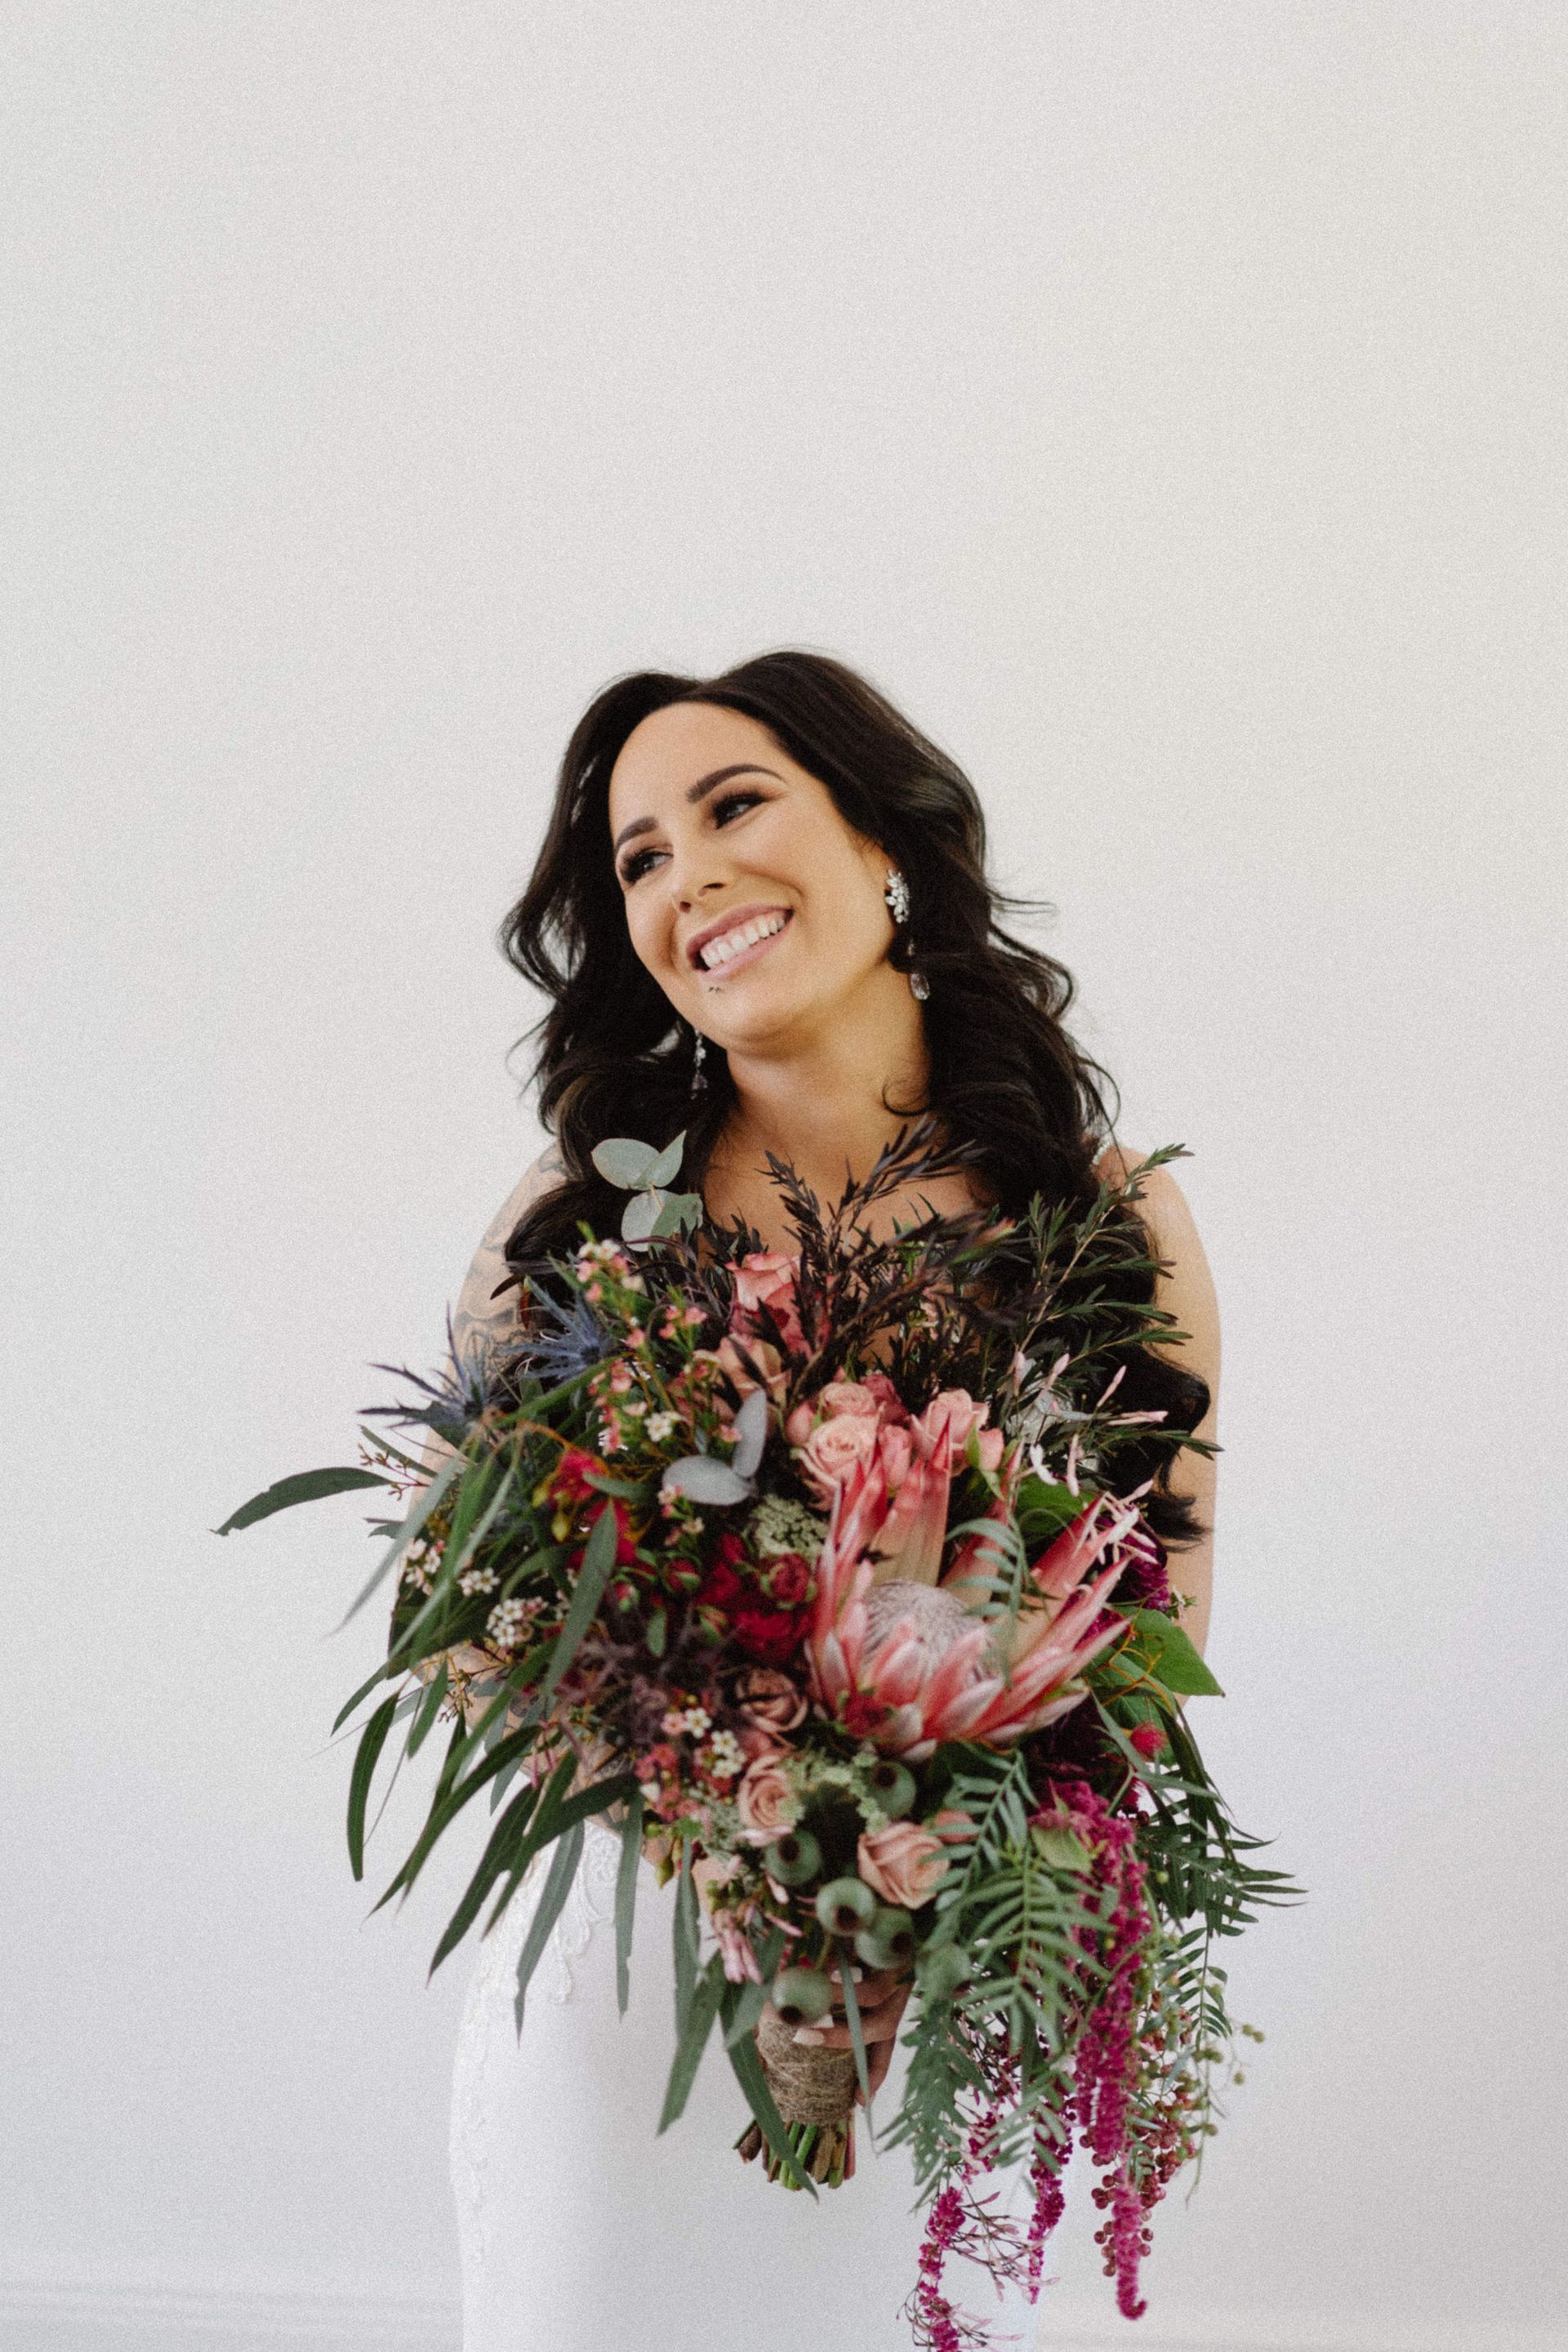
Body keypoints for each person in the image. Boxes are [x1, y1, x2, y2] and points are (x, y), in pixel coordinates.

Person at [443, 653, 1219, 2352]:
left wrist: (907, 1899)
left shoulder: (1099, 1219)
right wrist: (746, 1846)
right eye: (639, 859)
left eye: (732, 809)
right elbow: (473, 1630)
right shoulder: (568, 1228)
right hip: (635, 1979)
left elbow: (1150, 1650)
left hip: (938, 1981)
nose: (689, 876)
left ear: (882, 841)